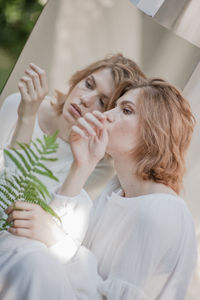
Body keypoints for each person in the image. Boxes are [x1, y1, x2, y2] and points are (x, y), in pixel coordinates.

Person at [0, 78, 197, 299]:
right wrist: (82, 166)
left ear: (155, 131)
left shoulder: (160, 215)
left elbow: (60, 252)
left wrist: (58, 241)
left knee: (31, 261)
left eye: (126, 110)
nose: (107, 116)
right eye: (114, 106)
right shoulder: (117, 189)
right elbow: (52, 243)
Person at [0, 54, 146, 199]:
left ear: (110, 116)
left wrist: (27, 119)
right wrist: (26, 116)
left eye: (102, 102)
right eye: (88, 84)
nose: (85, 99)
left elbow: (20, 203)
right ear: (79, 79)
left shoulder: (98, 166)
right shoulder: (20, 103)